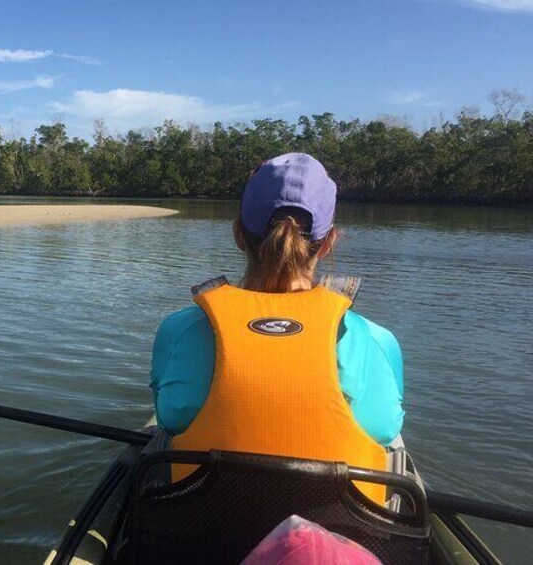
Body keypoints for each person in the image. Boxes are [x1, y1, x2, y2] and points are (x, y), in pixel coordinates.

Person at [149, 153, 404, 502]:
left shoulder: (178, 330)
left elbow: (167, 415)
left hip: (206, 535)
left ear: (239, 234)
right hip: (341, 546)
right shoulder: (377, 341)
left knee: (162, 440)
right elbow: (387, 429)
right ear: (328, 242)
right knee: (391, 452)